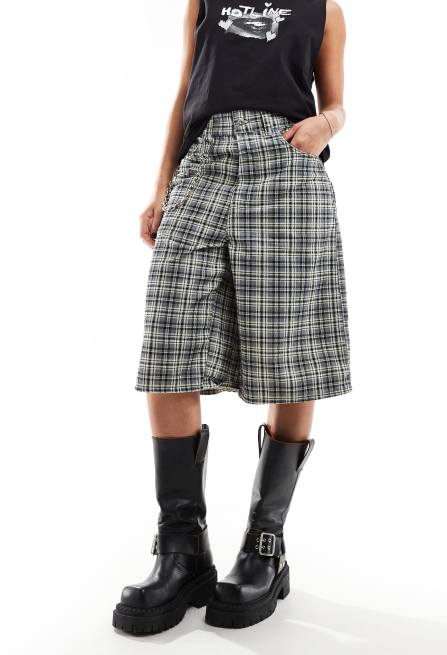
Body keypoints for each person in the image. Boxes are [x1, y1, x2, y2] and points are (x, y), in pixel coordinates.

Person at [112, 0, 351, 634]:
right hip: (204, 167)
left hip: (285, 170)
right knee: (169, 346)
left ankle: (264, 547)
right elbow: (186, 90)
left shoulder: (324, 10)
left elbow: (337, 103)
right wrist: (162, 187)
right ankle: (182, 549)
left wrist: (325, 125)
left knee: (288, 356)